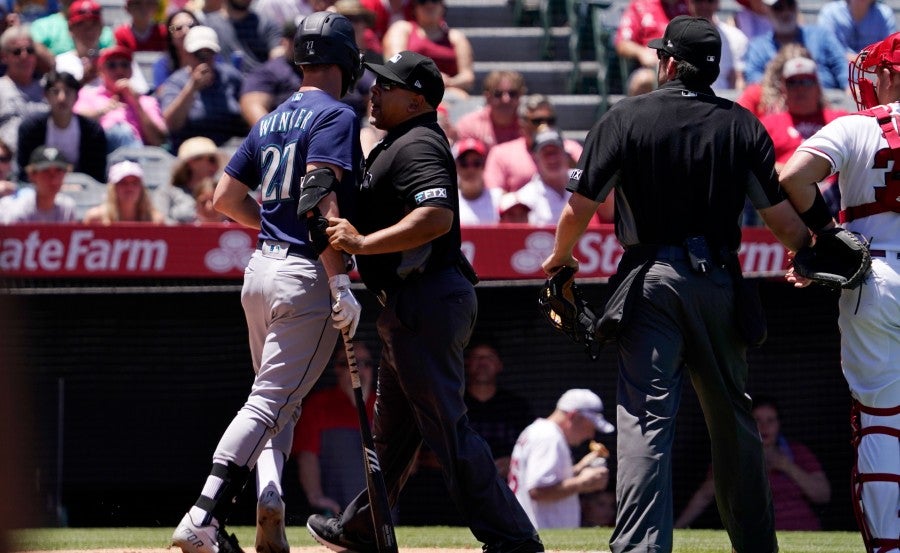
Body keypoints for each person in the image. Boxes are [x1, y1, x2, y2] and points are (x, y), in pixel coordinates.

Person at [541, 16, 812, 553]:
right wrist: (811, 249)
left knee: (645, 420)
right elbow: (784, 224)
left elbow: (577, 210)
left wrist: (560, 261)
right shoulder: (742, 123)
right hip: (719, 282)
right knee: (734, 423)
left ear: (667, 62)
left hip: (653, 282)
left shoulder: (626, 118)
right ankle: (757, 548)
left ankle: (642, 549)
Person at [307, 50, 544, 553]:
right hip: (410, 307)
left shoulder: (417, 144)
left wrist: (363, 244)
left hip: (427, 302)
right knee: (392, 437)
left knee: (447, 430)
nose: (374, 89)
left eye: (387, 86)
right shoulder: (400, 140)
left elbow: (435, 216)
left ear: (417, 100)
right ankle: (363, 528)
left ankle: (514, 539)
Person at [171, 11, 364, 553]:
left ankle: (271, 492)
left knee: (278, 400)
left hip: (258, 271)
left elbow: (224, 200)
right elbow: (320, 201)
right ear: (345, 61)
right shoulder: (338, 115)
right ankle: (202, 516)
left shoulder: (273, 116)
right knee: (268, 402)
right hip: (304, 272)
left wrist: (273, 225)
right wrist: (341, 282)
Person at [778, 31, 900, 553]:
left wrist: (825, 238)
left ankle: (888, 546)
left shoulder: (856, 126)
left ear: (891, 74)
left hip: (877, 277)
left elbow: (792, 177)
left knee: (880, 421)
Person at [675, 395, 831, 530]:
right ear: (747, 423)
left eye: (771, 420)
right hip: (757, 537)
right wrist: (677, 528)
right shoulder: (732, 456)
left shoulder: (797, 452)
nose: (764, 426)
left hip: (804, 531)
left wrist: (787, 466)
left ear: (779, 424)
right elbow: (705, 496)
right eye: (757, 420)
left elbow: (823, 495)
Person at [508, 389, 613, 530]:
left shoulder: (538, 431)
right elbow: (537, 490)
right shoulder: (549, 437)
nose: (591, 434)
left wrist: (579, 468)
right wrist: (582, 482)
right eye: (591, 426)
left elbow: (546, 479)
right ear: (574, 416)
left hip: (532, 532)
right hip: (541, 535)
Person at [293, 341, 376, 516]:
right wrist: (316, 496)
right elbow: (307, 456)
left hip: (382, 513)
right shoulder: (318, 405)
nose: (358, 371)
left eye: (365, 364)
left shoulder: (385, 407)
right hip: (335, 513)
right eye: (350, 364)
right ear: (337, 369)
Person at [155, 25, 247, 151]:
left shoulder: (231, 77)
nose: (205, 59)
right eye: (198, 54)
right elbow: (172, 124)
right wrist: (192, 87)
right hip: (190, 151)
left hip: (231, 150)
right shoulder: (176, 82)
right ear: (187, 54)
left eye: (209, 53)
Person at [17, 70, 107, 183]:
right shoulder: (31, 128)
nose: (62, 98)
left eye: (68, 92)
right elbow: (25, 171)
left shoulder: (92, 130)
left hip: (81, 188)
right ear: (46, 96)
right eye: (55, 92)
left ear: (76, 97)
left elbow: (96, 175)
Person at [73, 45, 168, 152]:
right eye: (112, 65)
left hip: (139, 157)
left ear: (131, 70)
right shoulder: (87, 95)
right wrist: (102, 111)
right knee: (120, 131)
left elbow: (157, 140)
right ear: (100, 71)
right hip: (100, 155)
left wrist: (137, 104)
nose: (119, 70)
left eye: (124, 65)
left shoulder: (146, 101)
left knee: (124, 132)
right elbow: (74, 122)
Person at [482, 94, 582, 193]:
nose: (544, 126)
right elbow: (493, 194)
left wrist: (572, 167)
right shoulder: (501, 154)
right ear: (522, 124)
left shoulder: (571, 149)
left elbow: (587, 184)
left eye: (550, 120)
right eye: (537, 121)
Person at [464, 341, 534, 480]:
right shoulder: (452, 405)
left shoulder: (516, 406)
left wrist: (513, 463)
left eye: (489, 357)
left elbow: (532, 449)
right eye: (477, 357)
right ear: (466, 363)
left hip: (504, 489)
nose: (483, 363)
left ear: (499, 365)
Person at [742, 0, 847, 90]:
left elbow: (841, 66)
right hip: (777, 106)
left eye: (790, 4)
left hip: (826, 103)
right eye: (778, 7)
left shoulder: (821, 36)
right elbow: (753, 78)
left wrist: (849, 87)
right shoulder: (758, 47)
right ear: (766, 10)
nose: (786, 12)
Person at [381, 0, 473, 98]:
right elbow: (396, 64)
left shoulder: (456, 37)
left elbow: (467, 77)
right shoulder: (402, 29)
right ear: (415, 7)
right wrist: (428, 79)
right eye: (422, 1)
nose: (429, 5)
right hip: (409, 90)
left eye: (434, 1)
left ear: (442, 5)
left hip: (448, 92)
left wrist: (448, 82)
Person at [239, 20, 303, 127]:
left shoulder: (323, 67)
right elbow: (251, 105)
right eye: (296, 40)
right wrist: (273, 137)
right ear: (284, 42)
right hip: (286, 134)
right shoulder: (270, 71)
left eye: (307, 40)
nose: (302, 45)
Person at [0, 26, 48, 155]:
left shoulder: (49, 88)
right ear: (4, 57)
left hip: (46, 163)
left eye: (30, 50)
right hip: (8, 164)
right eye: (17, 52)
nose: (24, 56)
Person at [155, 136, 223, 223]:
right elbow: (159, 222)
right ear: (192, 162)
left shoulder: (222, 194)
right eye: (212, 160)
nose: (216, 166)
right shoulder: (167, 192)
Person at [513, 126, 571, 227]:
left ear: (565, 154)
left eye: (555, 152)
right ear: (536, 159)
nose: (552, 159)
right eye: (546, 154)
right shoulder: (524, 198)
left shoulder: (585, 181)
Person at [0, 145, 76, 223]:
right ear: (32, 175)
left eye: (58, 171)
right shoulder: (17, 209)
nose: (53, 178)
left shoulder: (67, 208)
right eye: (46, 171)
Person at [614, 0, 690, 77]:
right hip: (653, 68)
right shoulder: (641, 5)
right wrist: (641, 53)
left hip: (686, 67)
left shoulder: (692, 4)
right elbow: (622, 43)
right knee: (643, 79)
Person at [202, 0, 281, 75]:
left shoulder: (266, 24)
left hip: (259, 85)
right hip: (223, 85)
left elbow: (277, 56)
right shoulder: (208, 26)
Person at [454, 69, 526, 150]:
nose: (506, 99)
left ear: (520, 96)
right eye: (498, 94)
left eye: (512, 94)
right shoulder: (469, 125)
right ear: (487, 97)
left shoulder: (528, 128)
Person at [736, 42, 811, 118]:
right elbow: (738, 122)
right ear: (778, 75)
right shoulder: (755, 94)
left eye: (806, 81)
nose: (799, 87)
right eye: (792, 81)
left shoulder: (815, 100)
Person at [687, 0, 748, 91]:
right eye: (698, 1)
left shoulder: (736, 37)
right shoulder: (677, 36)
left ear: (718, 3)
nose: (704, 5)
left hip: (723, 101)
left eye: (710, 1)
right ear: (689, 3)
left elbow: (738, 80)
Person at [82, 159, 166, 223]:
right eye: (123, 183)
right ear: (112, 188)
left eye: (135, 183)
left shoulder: (156, 221)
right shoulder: (96, 219)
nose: (129, 188)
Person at [816, 0, 895, 63]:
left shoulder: (885, 13)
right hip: (839, 69)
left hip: (874, 70)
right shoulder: (830, 12)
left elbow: (890, 49)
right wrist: (856, 59)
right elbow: (826, 48)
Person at [454, 137, 501, 225]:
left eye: (476, 163)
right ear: (457, 167)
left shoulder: (498, 199)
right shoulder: (450, 202)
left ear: (483, 166)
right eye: (464, 164)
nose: (470, 170)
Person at [152, 9, 198, 90]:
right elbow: (164, 96)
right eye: (178, 28)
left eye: (191, 26)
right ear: (170, 36)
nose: (185, 31)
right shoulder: (162, 65)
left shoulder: (211, 57)